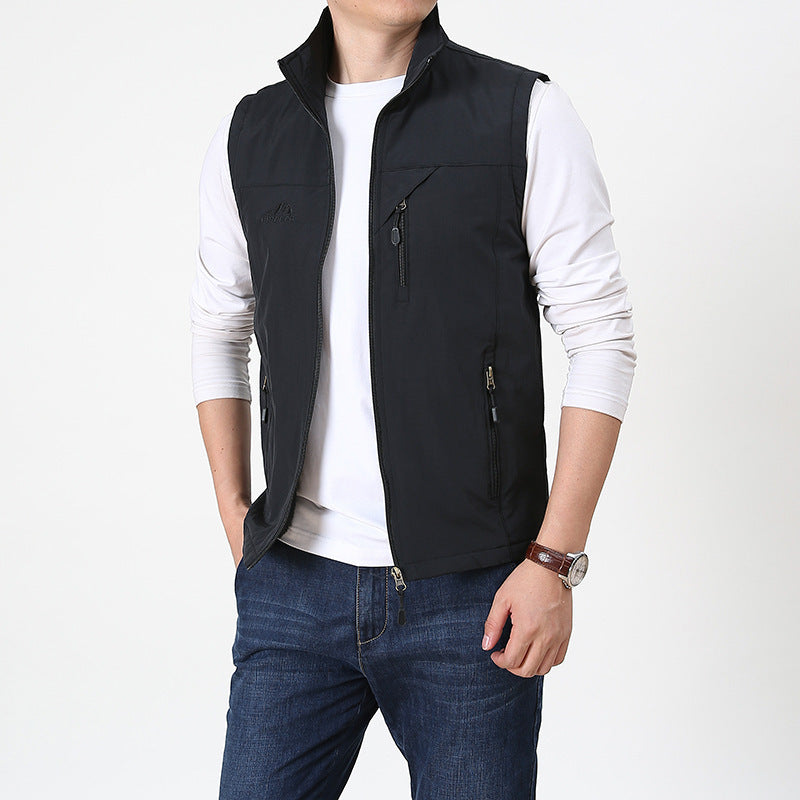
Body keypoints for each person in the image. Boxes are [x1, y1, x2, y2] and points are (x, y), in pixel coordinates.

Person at [189, 2, 636, 797]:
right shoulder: (253, 131)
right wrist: (236, 513)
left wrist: (553, 561)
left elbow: (601, 337)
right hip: (292, 586)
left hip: (474, 597)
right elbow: (220, 327)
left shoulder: (523, 112)